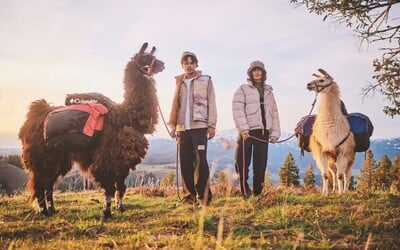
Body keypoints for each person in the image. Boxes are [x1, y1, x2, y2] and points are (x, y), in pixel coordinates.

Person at [168, 51, 217, 207]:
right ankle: (189, 197)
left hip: (199, 127)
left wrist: (212, 124)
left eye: (191, 62)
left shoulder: (206, 80)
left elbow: (212, 103)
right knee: (185, 163)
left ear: (196, 64)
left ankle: (205, 198)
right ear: (182, 66)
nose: (189, 65)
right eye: (186, 63)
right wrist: (173, 125)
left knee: (201, 162)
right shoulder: (179, 83)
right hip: (182, 129)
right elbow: (175, 105)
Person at [232, 60, 281, 199]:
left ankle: (258, 193)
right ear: (250, 73)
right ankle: (245, 191)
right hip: (246, 132)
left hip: (263, 132)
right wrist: (243, 129)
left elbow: (274, 113)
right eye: (254, 70)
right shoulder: (243, 89)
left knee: (260, 164)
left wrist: (274, 133)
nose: (257, 72)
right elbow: (237, 109)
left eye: (259, 70)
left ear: (263, 73)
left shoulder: (269, 92)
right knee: (241, 163)